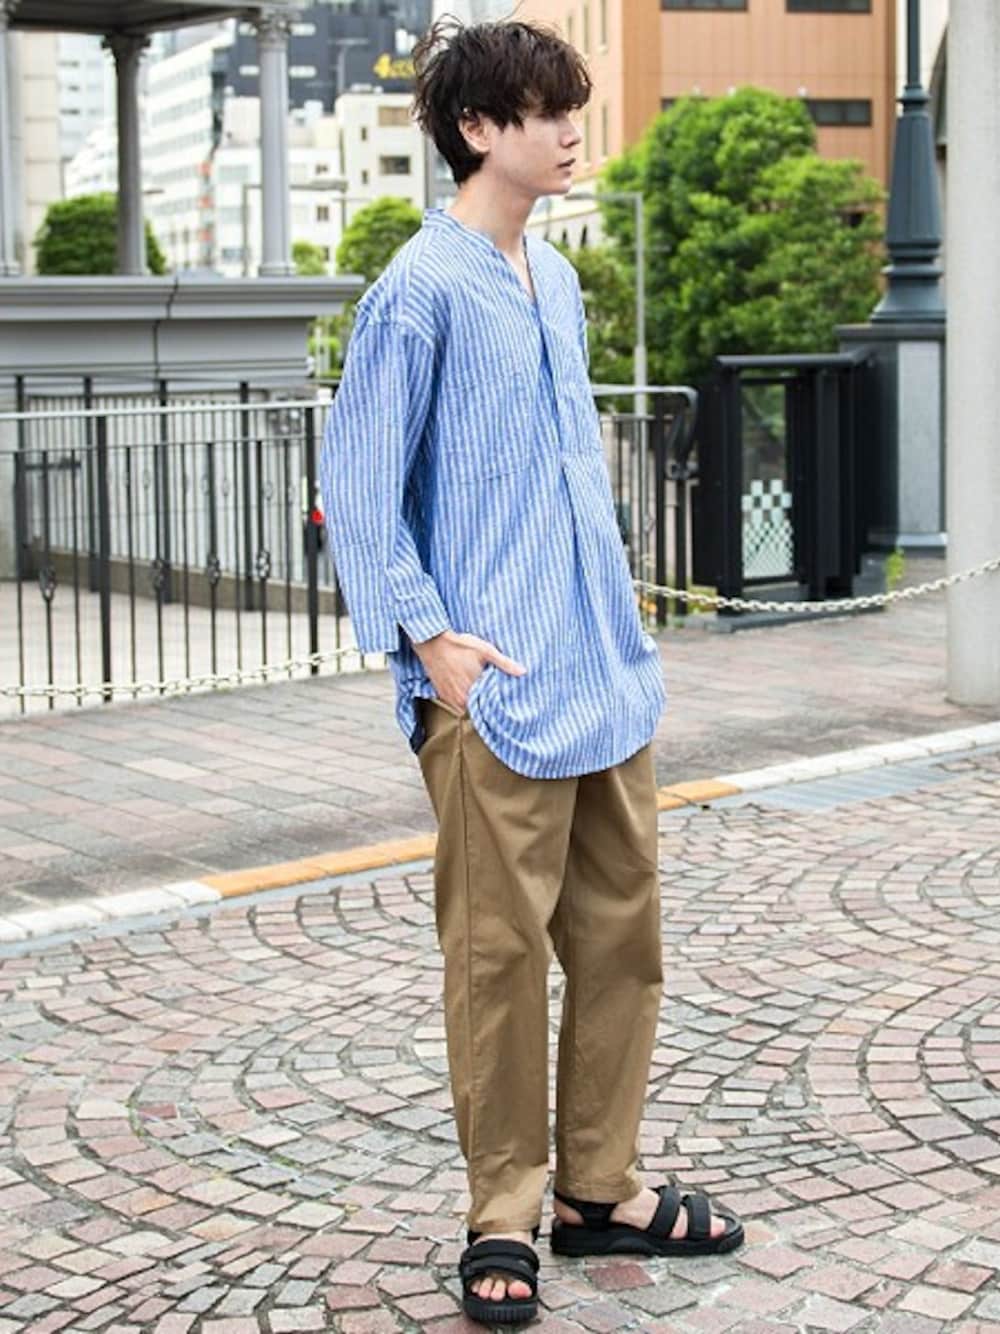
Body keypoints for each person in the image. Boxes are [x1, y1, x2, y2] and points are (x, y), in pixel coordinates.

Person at [319, 16, 743, 1325]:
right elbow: (357, 484)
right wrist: (428, 640)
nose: (571, 132)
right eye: (546, 111)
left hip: (602, 672)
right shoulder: (419, 289)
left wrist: (624, 622)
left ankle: (597, 1187)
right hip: (494, 690)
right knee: (497, 960)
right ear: (476, 128)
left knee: (623, 940)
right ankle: (501, 1212)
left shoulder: (553, 280)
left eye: (573, 108)